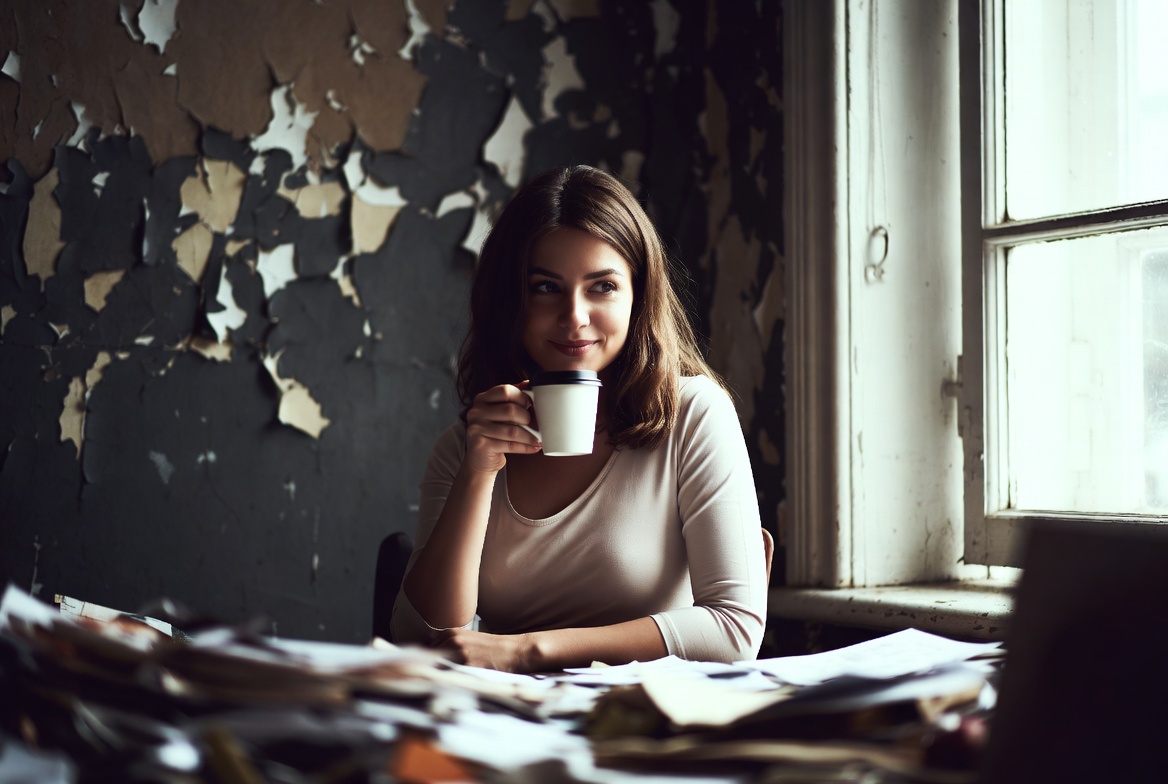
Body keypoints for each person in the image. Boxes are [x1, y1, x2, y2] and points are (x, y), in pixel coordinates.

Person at [390, 165, 766, 672]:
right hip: (508, 724)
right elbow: (422, 638)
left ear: (638, 295)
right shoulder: (464, 447)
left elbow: (734, 628)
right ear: (510, 300)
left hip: (646, 727)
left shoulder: (693, 415)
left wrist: (527, 650)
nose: (574, 316)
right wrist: (478, 472)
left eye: (602, 286)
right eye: (545, 287)